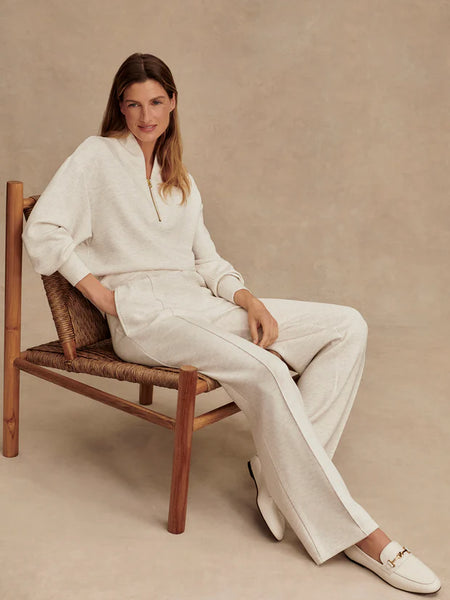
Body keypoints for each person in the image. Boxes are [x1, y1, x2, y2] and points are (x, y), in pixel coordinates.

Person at [22, 52, 441, 594]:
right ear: (119, 108)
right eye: (134, 104)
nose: (146, 116)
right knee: (266, 369)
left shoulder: (180, 179)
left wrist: (248, 299)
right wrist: (102, 293)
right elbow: (43, 229)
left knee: (347, 327)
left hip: (199, 304)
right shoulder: (96, 157)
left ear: (173, 103)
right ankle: (360, 536)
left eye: (156, 102)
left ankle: (275, 474)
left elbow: (207, 262)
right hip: (144, 316)